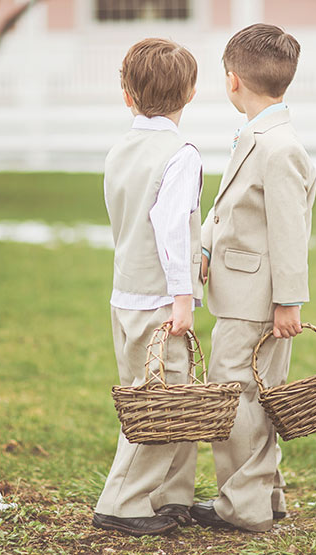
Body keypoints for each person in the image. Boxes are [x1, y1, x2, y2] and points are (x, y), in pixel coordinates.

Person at [192, 23, 316, 533]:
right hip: (243, 292)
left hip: (257, 300)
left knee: (237, 396)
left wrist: (288, 301)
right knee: (256, 396)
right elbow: (232, 210)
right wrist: (204, 242)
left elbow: (290, 232)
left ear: (232, 80)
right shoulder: (259, 135)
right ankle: (265, 499)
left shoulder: (278, 147)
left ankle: (241, 508)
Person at [92, 38, 204, 537]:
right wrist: (183, 296)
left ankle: (169, 496)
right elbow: (172, 228)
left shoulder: (120, 150)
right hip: (161, 300)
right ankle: (124, 501)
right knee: (159, 405)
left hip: (125, 296)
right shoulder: (178, 154)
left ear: (126, 95)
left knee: (168, 398)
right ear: (192, 93)